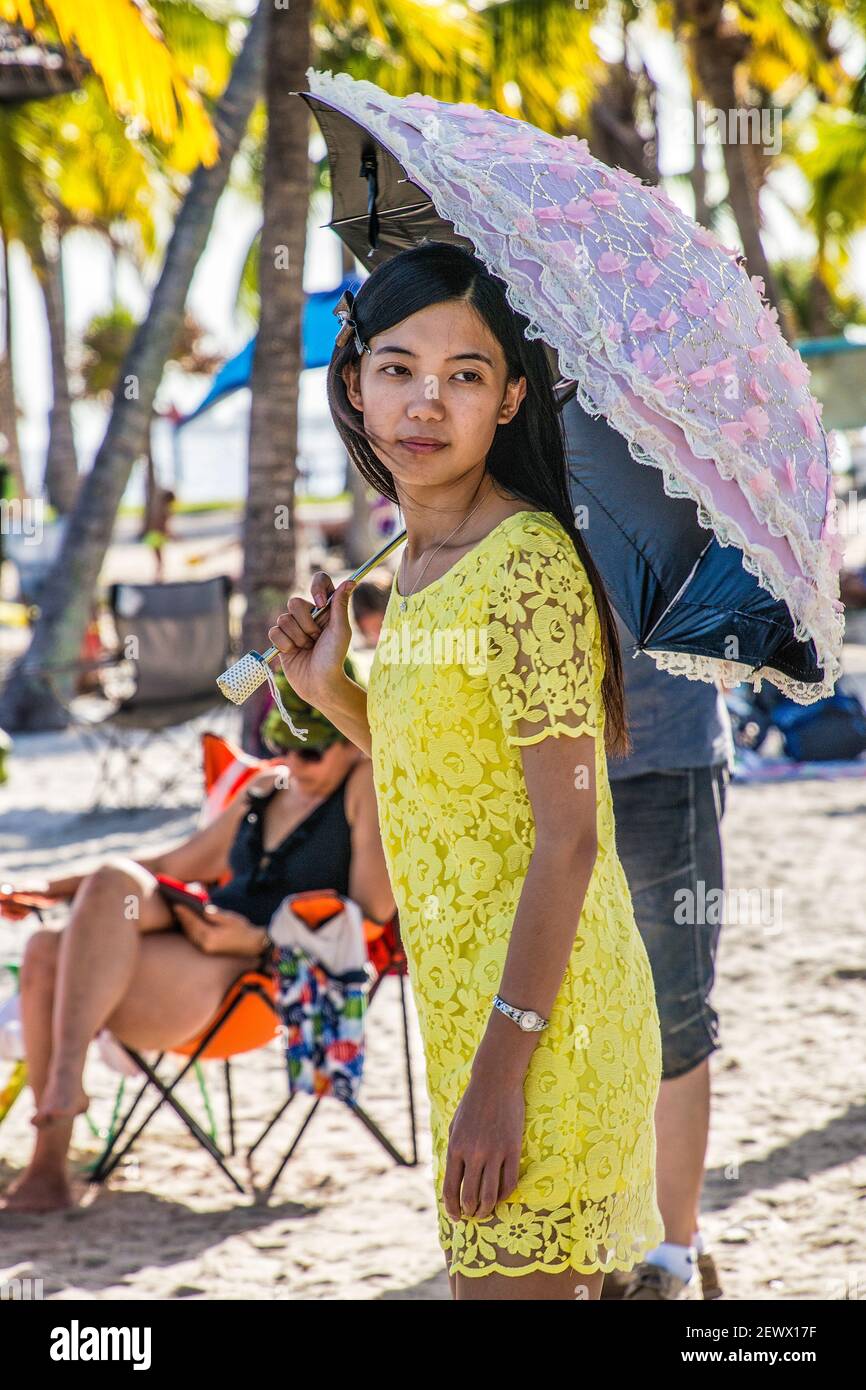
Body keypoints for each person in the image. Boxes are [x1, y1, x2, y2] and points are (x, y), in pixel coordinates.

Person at [266, 241, 665, 1301]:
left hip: (544, 1027)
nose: (424, 402)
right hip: (471, 1013)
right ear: (353, 384)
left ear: (511, 397)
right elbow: (448, 780)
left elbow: (566, 837)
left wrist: (498, 1079)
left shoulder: (524, 567)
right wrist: (332, 689)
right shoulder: (414, 561)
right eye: (397, 367)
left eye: (465, 374)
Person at [0, 672, 394, 1213]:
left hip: (252, 982)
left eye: (310, 753)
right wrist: (45, 888)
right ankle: (53, 1149)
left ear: (349, 740)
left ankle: (58, 1110)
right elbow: (167, 866)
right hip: (195, 944)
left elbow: (372, 917)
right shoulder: (269, 788)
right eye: (281, 747)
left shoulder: (363, 788)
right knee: (82, 912)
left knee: (57, 948)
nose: (293, 764)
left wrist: (256, 940)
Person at [601, 606, 734, 1300]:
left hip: (662, 760)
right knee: (589, 1024)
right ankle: (637, 1236)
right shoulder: (518, 492)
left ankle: (674, 1253)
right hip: (539, 767)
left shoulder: (683, 491)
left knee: (672, 1016)